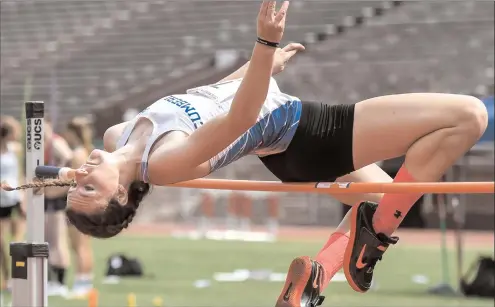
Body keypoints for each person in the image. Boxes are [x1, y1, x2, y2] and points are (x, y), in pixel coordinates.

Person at [1, 2, 488, 306]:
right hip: (307, 131)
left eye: (79, 186)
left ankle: (321, 275)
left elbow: (209, 97)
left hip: (290, 143)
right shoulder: (165, 163)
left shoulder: (116, 136)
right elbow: (238, 119)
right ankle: (373, 239)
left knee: (387, 193)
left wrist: (261, 66)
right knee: (467, 117)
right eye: (91, 188)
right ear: (125, 194)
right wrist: (263, 44)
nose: (84, 175)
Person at [64, 117, 95, 297]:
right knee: (83, 245)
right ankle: (85, 281)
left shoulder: (77, 154)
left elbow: (73, 180)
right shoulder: (86, 151)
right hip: (85, 201)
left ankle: (81, 282)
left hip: (78, 202)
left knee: (78, 245)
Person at [43, 121, 73, 297]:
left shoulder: (55, 142)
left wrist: (58, 177)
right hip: (47, 196)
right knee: (47, 241)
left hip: (56, 197)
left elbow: (68, 157)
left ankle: (60, 283)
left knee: (57, 241)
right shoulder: (44, 144)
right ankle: (49, 280)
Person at [0, 119, 25, 291]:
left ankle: (20, 277)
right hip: (1, 200)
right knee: (1, 242)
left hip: (15, 198)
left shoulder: (16, 150)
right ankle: (7, 277)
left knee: (17, 240)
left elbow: (20, 173)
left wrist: (22, 196)